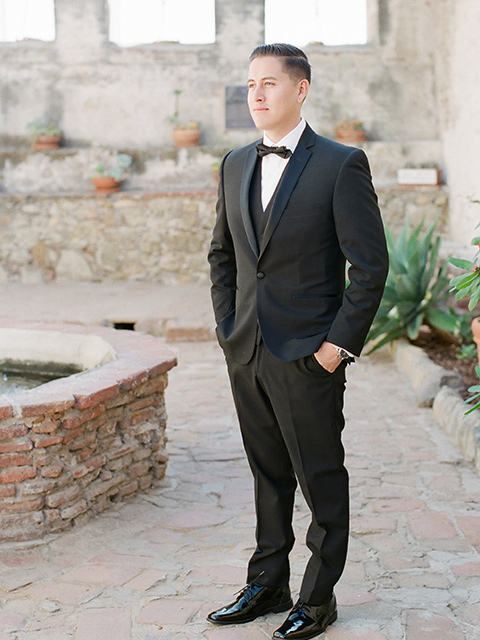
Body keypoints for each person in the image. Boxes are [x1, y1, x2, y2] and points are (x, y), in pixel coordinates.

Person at [207, 43, 388, 640]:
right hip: (248, 352)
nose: (256, 94)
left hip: (309, 356)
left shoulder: (341, 164)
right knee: (266, 473)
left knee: (320, 477)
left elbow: (369, 267)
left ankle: (318, 599)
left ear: (301, 89)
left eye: (269, 83)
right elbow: (224, 257)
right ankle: (268, 583)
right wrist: (228, 329)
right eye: (250, 84)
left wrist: (337, 348)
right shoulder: (234, 163)